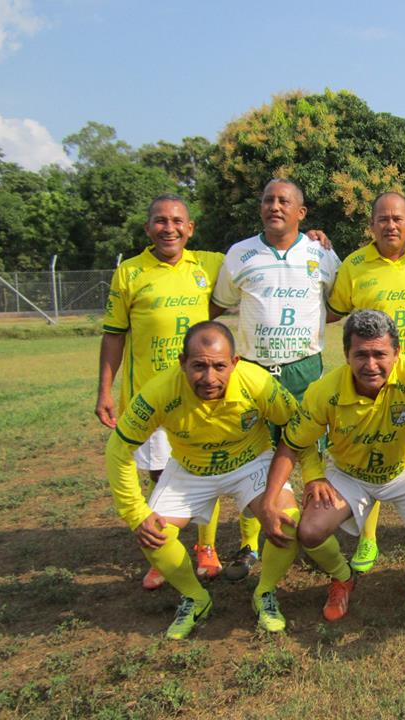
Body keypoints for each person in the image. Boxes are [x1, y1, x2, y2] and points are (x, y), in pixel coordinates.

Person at [258, 310, 405, 623]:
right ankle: (343, 577)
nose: (370, 365)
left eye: (380, 354)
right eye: (361, 355)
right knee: (310, 532)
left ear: (397, 353)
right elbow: (291, 444)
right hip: (349, 474)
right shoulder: (324, 390)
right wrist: (271, 501)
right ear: (346, 355)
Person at [105, 322, 308, 639]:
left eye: (219, 366)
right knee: (152, 533)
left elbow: (298, 428)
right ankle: (195, 597)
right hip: (190, 469)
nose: (209, 378)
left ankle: (265, 592)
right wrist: (135, 512)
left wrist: (312, 478)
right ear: (182, 362)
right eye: (198, 366)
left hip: (250, 462)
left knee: (288, 520)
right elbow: (118, 449)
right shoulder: (159, 391)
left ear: (235, 363)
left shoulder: (257, 382)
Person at [210, 178, 341, 580]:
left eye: (285, 201)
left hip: (304, 368)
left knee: (307, 453)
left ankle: (308, 533)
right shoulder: (240, 254)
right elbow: (219, 304)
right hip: (253, 370)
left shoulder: (321, 253)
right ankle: (250, 543)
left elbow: (335, 306)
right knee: (256, 455)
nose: (274, 206)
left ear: (301, 213)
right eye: (268, 199)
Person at [96, 194, 227, 588]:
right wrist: (105, 389)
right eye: (159, 221)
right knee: (161, 475)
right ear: (147, 228)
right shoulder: (130, 273)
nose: (168, 228)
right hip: (150, 398)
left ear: (190, 228)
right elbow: (114, 335)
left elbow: (258, 254)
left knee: (208, 466)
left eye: (176, 221)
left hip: (201, 394)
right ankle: (164, 548)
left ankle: (207, 546)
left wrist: (312, 239)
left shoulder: (210, 264)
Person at [325, 192, 405, 572]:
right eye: (382, 219)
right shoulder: (354, 265)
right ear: (371, 224)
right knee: (371, 457)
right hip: (368, 382)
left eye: (398, 218)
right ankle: (367, 539)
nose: (390, 225)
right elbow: (331, 310)